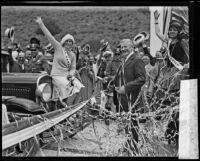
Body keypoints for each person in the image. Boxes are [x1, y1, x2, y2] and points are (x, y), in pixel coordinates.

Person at [35, 17, 84, 107]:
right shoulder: (58, 48)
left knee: (79, 86)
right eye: (68, 41)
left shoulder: (72, 55)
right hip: (57, 75)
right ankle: (64, 106)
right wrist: (41, 24)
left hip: (67, 76)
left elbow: (73, 67)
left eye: (71, 41)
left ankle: (72, 107)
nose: (69, 43)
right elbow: (49, 36)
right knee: (67, 86)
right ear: (64, 42)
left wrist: (71, 74)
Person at [114, 39, 146, 155]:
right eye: (121, 47)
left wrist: (126, 88)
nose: (123, 49)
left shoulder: (137, 60)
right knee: (128, 123)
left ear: (132, 47)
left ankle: (133, 148)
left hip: (132, 97)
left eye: (125, 47)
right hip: (123, 98)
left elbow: (142, 79)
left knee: (132, 123)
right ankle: (128, 145)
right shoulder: (124, 60)